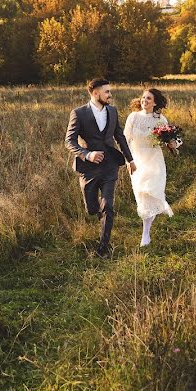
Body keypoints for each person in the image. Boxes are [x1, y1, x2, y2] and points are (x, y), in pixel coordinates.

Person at [65, 78, 136, 257]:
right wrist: (87, 154)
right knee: (92, 208)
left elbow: (119, 136)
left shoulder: (112, 111)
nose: (110, 95)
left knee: (108, 206)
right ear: (95, 93)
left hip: (110, 165)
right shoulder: (79, 113)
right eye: (107, 92)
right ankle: (98, 215)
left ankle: (103, 248)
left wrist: (130, 159)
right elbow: (69, 141)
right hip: (88, 168)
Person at [123, 88, 176, 247]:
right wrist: (127, 160)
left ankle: (145, 233)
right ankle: (147, 227)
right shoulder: (133, 117)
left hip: (154, 161)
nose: (144, 100)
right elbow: (125, 140)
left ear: (155, 102)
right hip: (137, 161)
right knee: (140, 195)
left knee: (150, 194)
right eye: (143, 97)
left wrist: (173, 144)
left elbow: (171, 140)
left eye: (148, 98)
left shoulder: (160, 119)